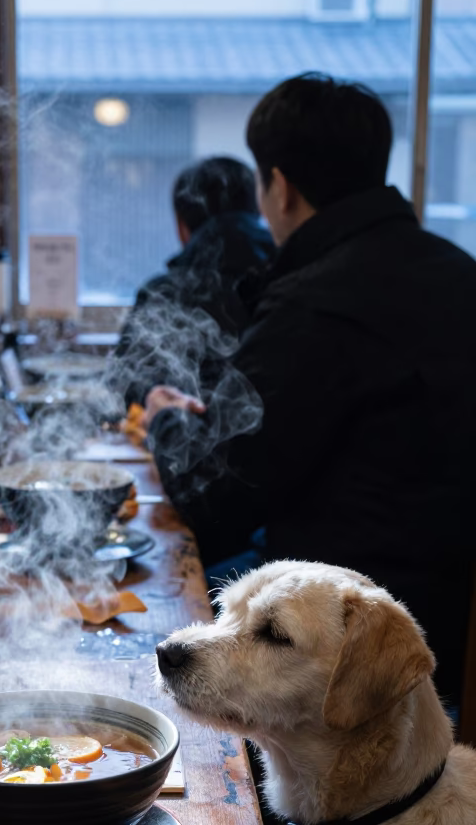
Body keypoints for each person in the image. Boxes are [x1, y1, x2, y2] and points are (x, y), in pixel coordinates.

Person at [144, 73, 476, 709]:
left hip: (346, 644)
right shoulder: (458, 271)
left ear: (280, 185)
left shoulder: (314, 303)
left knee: (152, 615)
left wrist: (165, 421)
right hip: (446, 609)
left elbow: (215, 494)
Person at [106, 156, 273, 408]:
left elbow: (123, 390)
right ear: (260, 210)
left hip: (184, 440)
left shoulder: (163, 294)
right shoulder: (290, 284)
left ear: (181, 226)